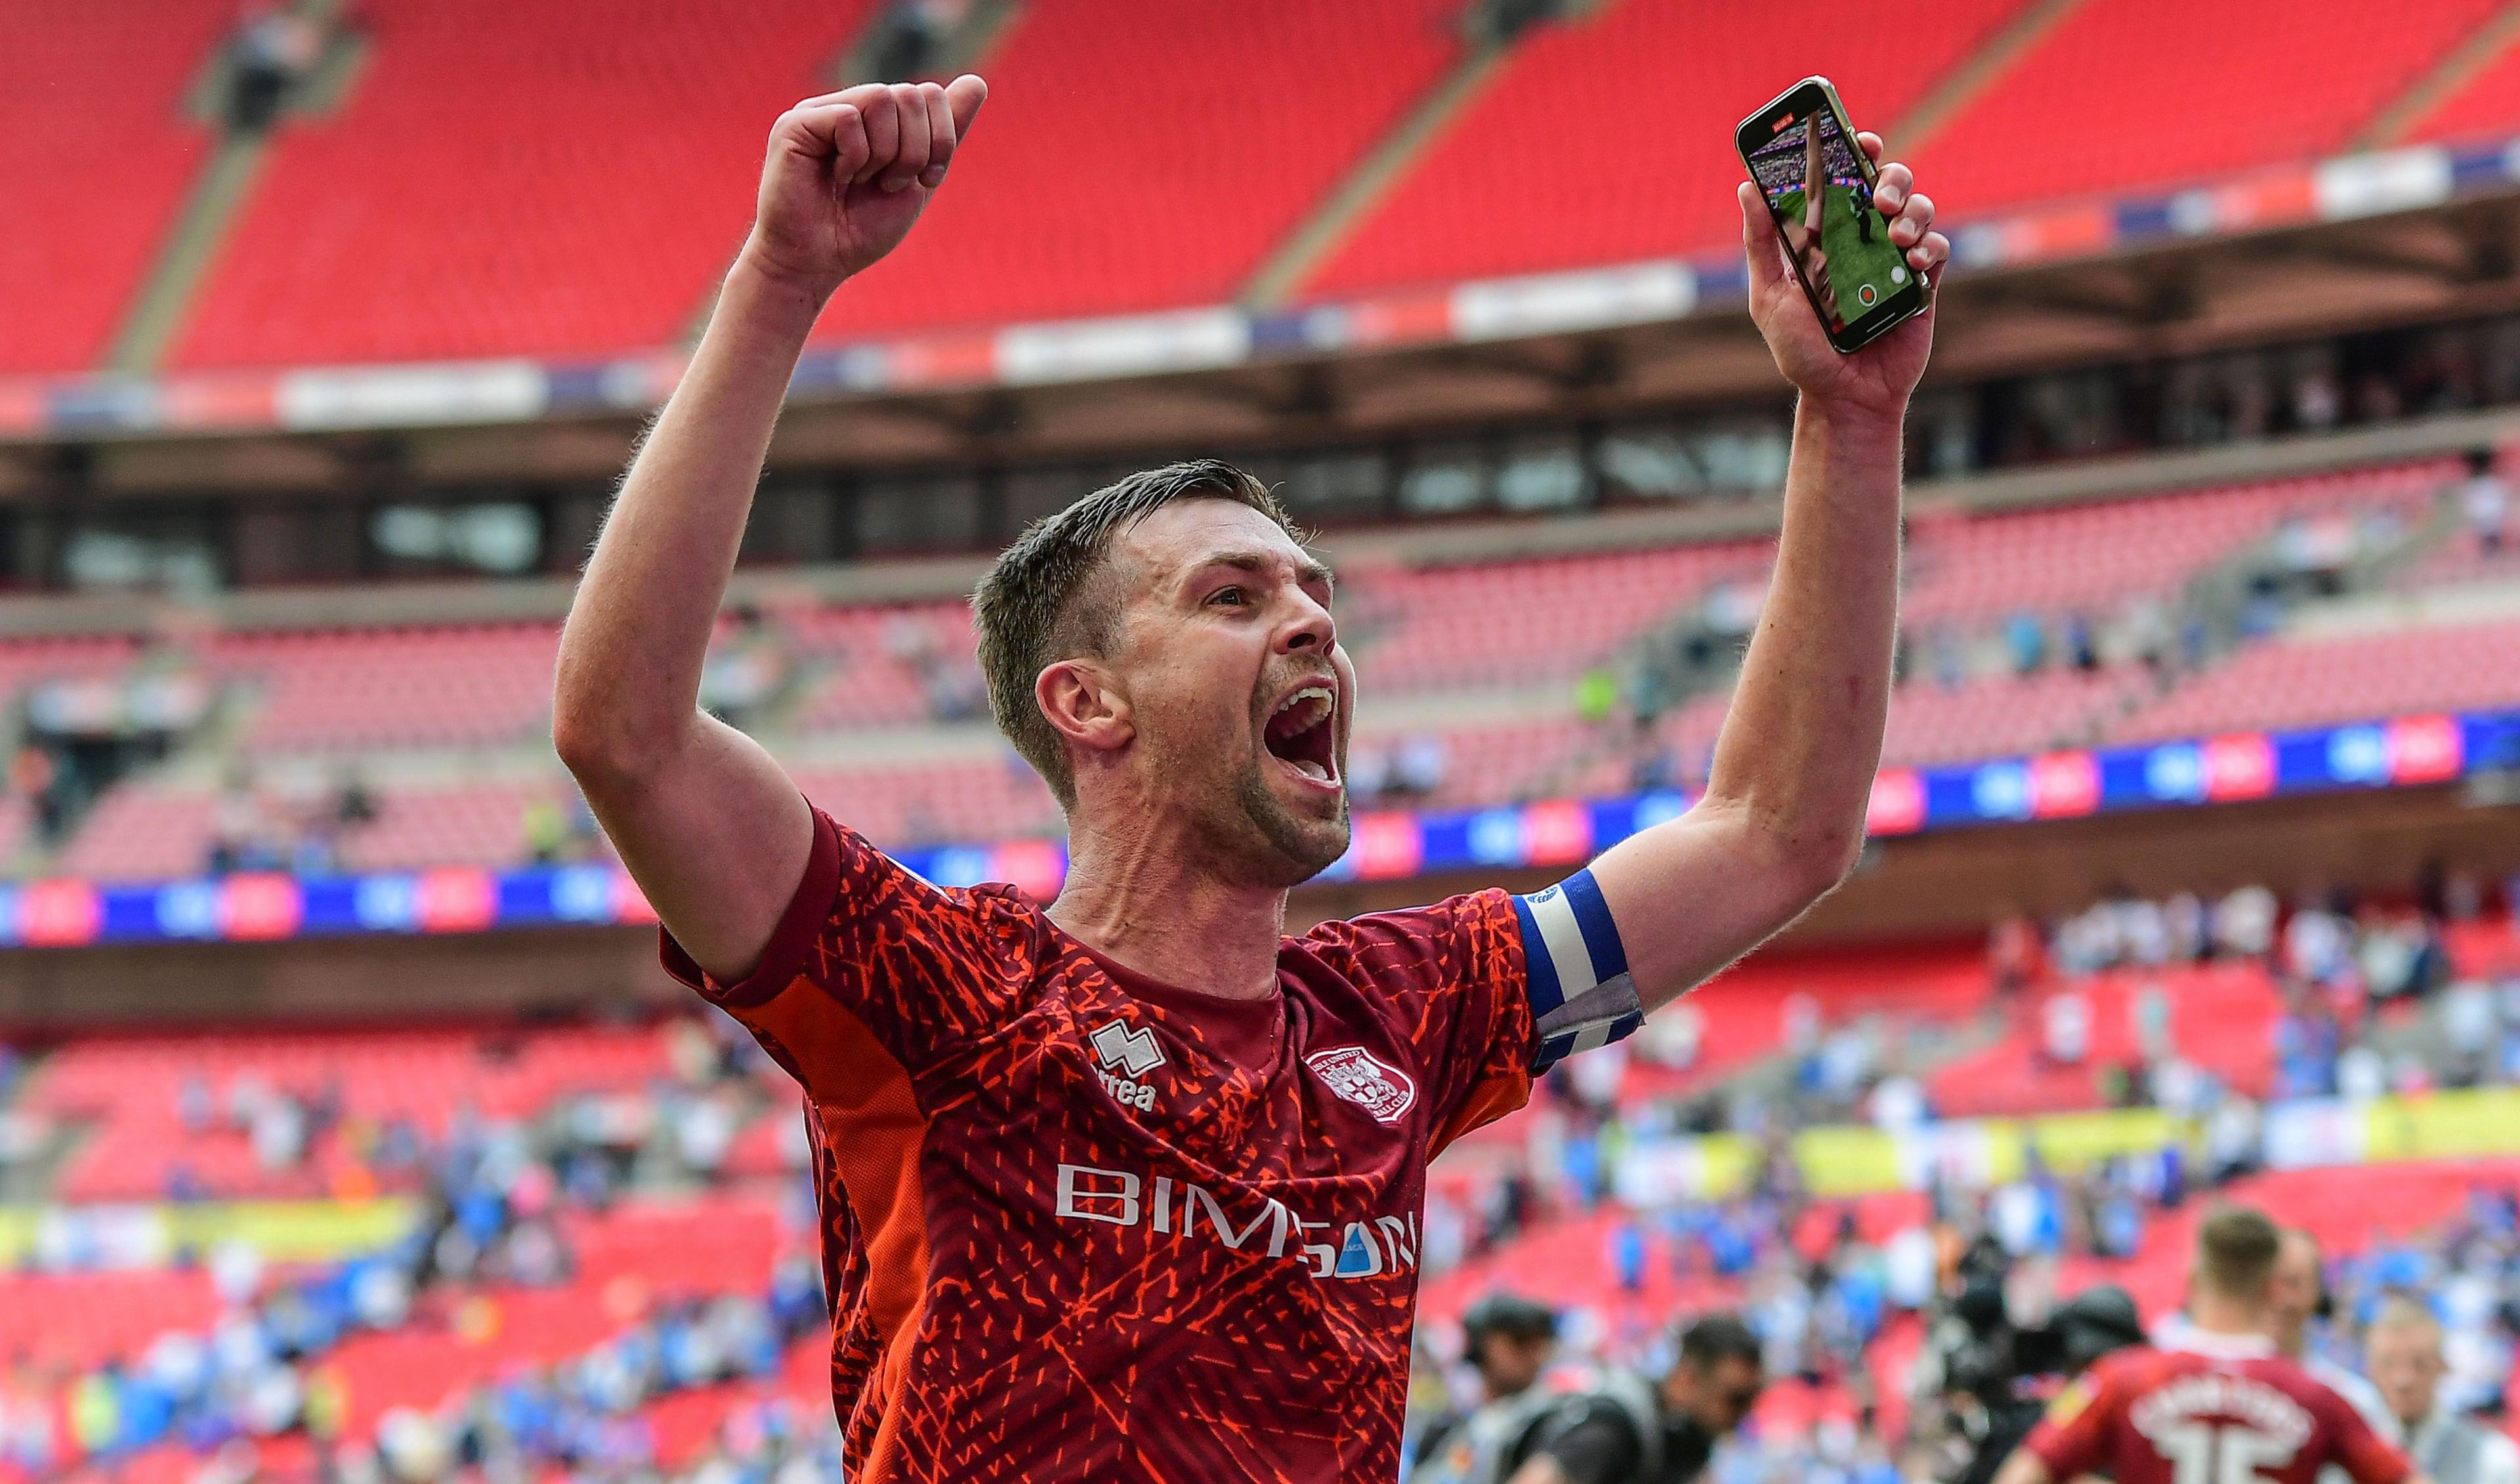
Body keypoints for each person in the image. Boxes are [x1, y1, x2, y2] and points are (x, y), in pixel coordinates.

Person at [551, 70, 1948, 1483]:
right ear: (1084, 701)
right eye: (1232, 595)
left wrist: (1853, 418)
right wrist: (781, 278)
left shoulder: (1402, 1016)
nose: (1310, 620)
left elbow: (1780, 830)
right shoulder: (948, 992)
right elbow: (628, 731)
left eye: (1313, 590)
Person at [1990, 1205, 2420, 1484]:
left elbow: (2023, 1475)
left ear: (2194, 1276)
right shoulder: (2319, 1397)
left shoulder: (2123, 1380)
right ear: (2272, 1288)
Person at [1503, 1313, 1766, 1484]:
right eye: (1735, 1398)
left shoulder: (1688, 1441)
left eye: (1752, 1398)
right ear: (1687, 1379)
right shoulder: (1613, 1430)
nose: (1746, 1412)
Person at [2269, 1227, 2403, 1449]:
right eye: (2268, 1283)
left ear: (2318, 1293)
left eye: (2294, 1283)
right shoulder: (2219, 1391)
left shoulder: (2352, 1400)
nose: (2282, 1298)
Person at [1409, 1294, 1564, 1484]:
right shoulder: (1446, 1427)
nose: (1536, 1353)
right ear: (1485, 1343)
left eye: (1541, 1342)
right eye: (1520, 1340)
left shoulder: (1551, 1421)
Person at [2364, 1296, 2520, 1484]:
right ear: (2370, 1368)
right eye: (2388, 1364)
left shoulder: (2492, 1459)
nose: (2403, 1380)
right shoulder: (2346, 1451)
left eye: (2419, 1364)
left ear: (2442, 1366)